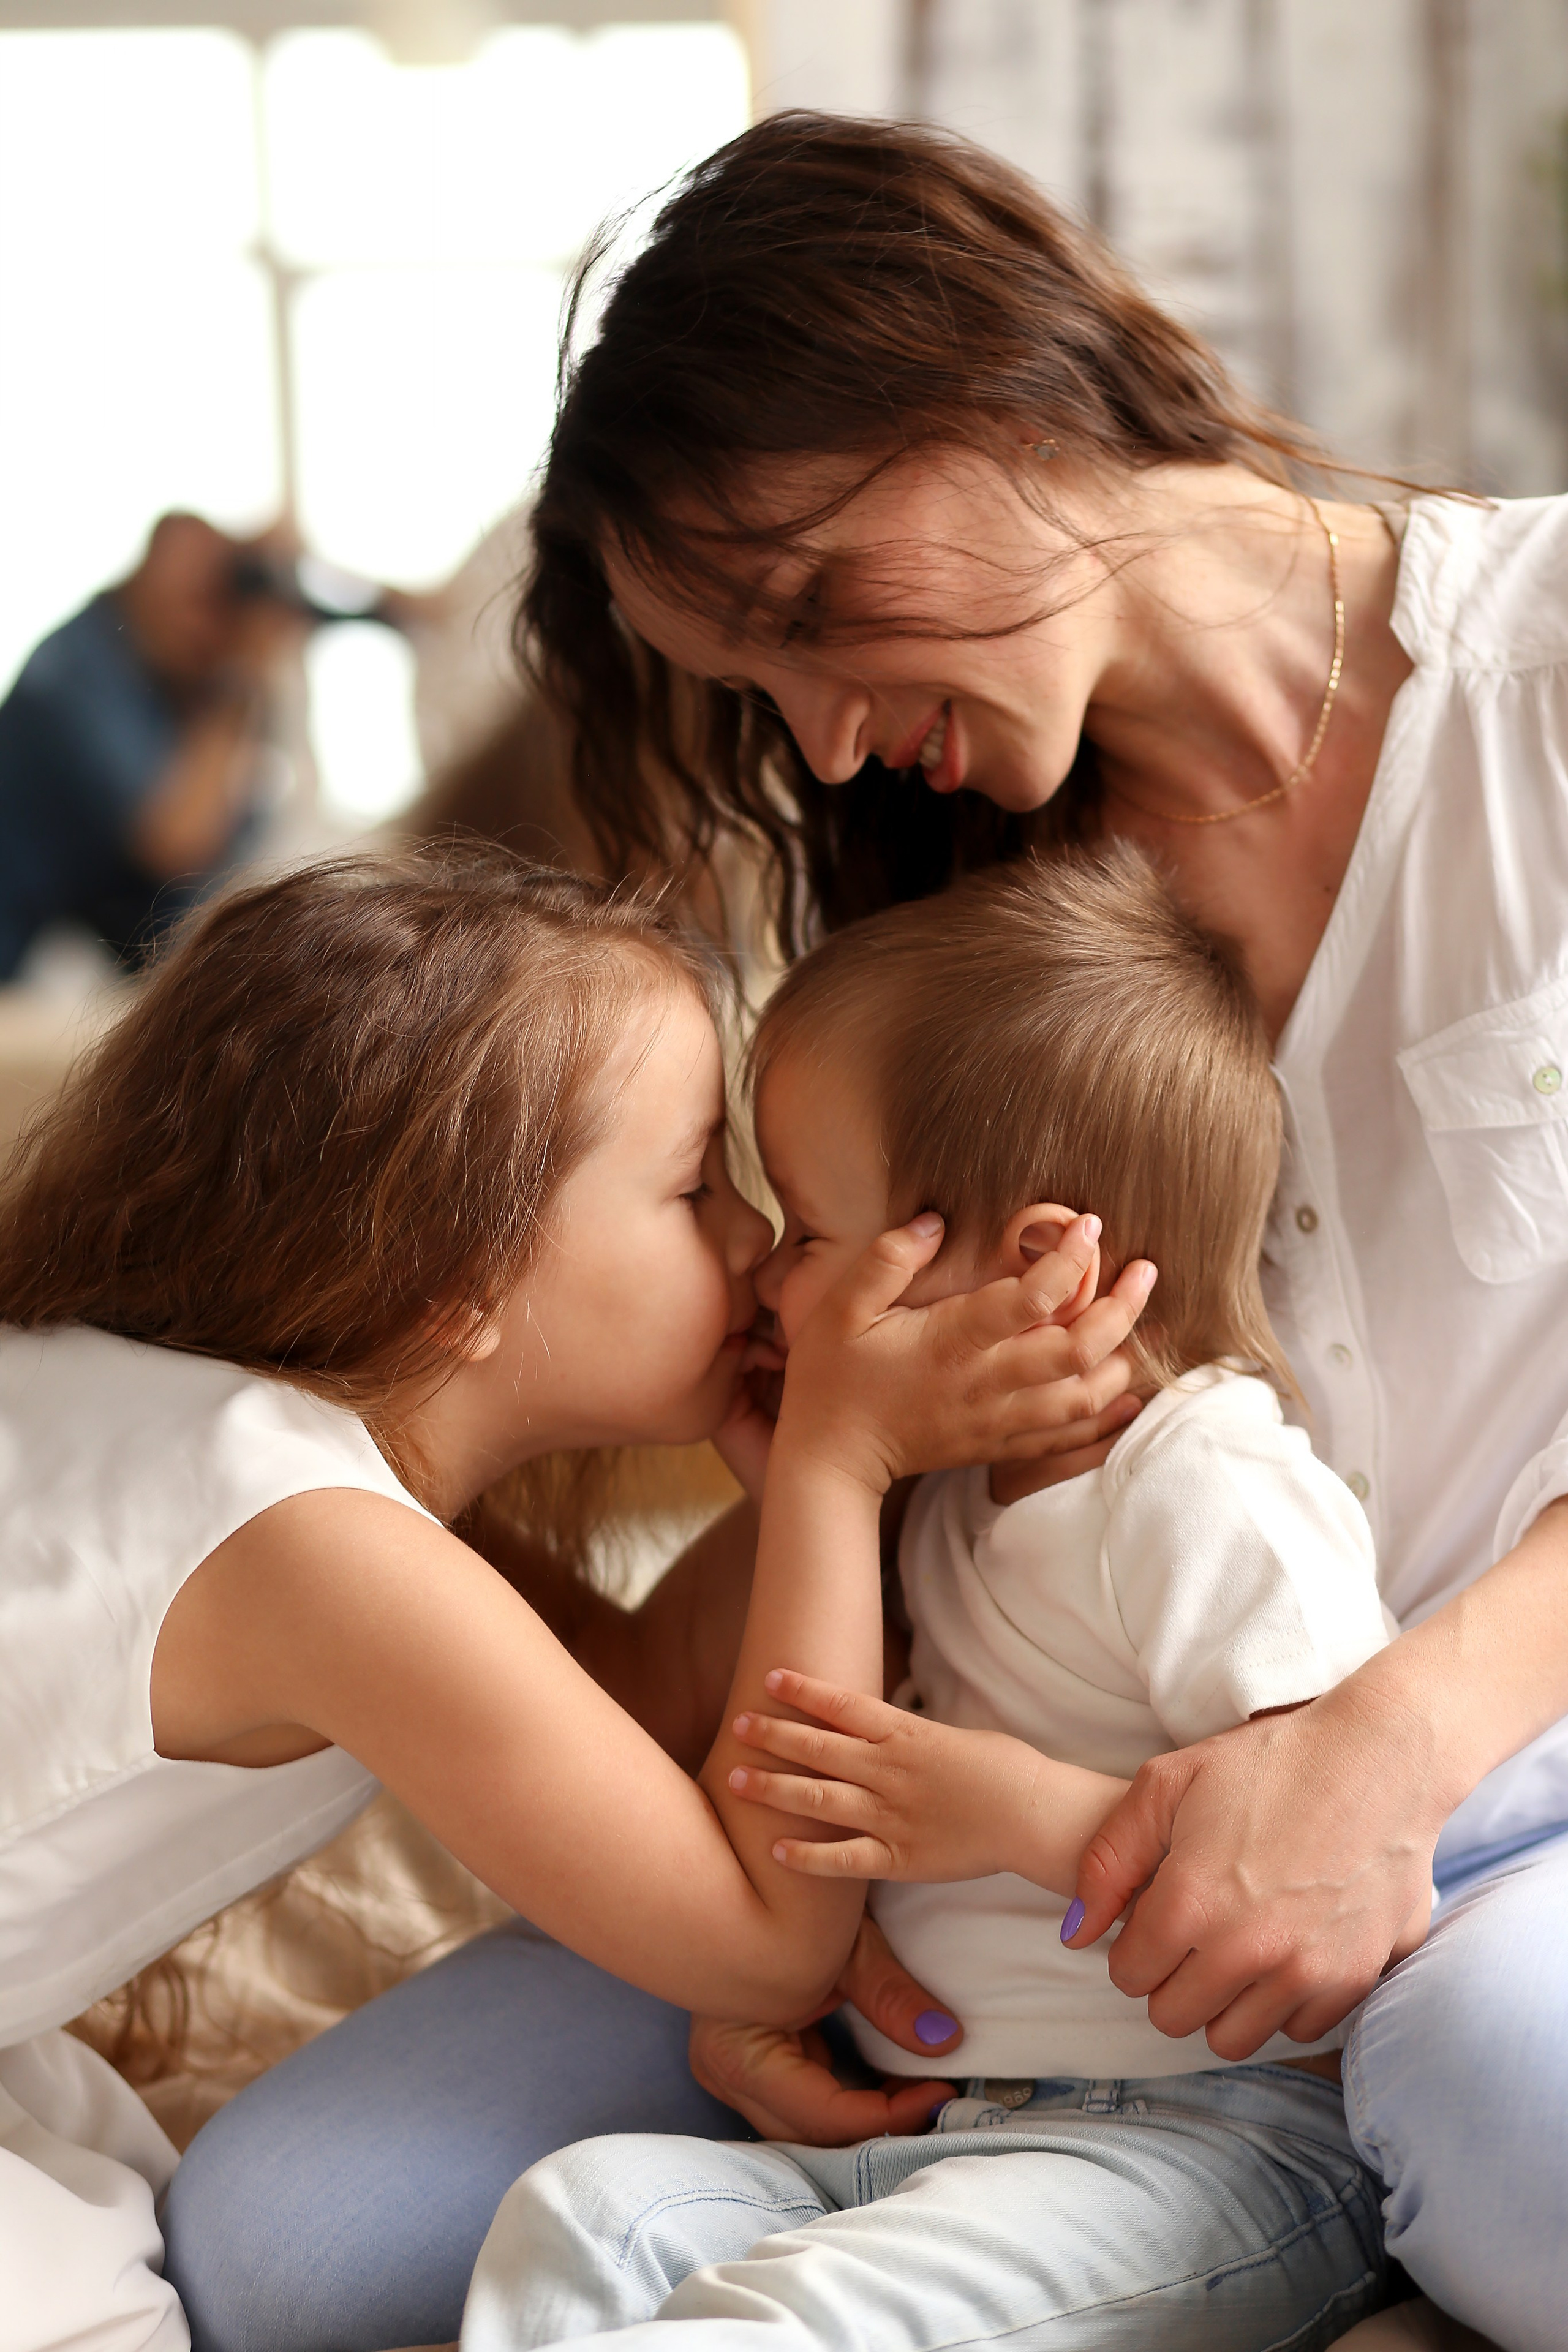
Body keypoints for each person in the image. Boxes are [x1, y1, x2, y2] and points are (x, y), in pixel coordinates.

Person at [500, 111, 1568, 2351]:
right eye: (746, 686)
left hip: (1492, 1791)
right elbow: (911, 1510)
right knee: (300, 2233)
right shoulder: (939, 884)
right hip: (1052, 1886)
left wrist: (1375, 1749)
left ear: (990, 387)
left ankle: (1242, 2183)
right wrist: (758, 1918)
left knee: (1507, 2118)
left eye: (806, 616)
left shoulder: (1536, 681)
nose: (818, 731)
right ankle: (1163, 2184)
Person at [0, 842, 1141, 2352]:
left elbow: (636, 1691)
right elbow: (766, 1940)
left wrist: (814, 1460)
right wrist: (831, 1468)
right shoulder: (316, 1548)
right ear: (445, 1280)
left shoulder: (233, 1428)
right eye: (688, 1187)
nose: (749, 1239)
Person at [462, 847, 1414, 2352]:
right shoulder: (944, 1494)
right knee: (588, 2212)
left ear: (1034, 1263)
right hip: (944, 2129)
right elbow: (779, 1779)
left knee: (789, 2318)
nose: (768, 1276)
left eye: (813, 1234)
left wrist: (1009, 1808)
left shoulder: (1205, 1485)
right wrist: (810, 1483)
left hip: (1204, 2147)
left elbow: (1324, 1903)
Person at [0, 513, 303, 978]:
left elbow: (210, 884)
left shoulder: (164, 683)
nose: (209, 626)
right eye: (199, 601)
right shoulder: (68, 676)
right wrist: (240, 682)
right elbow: (174, 841)